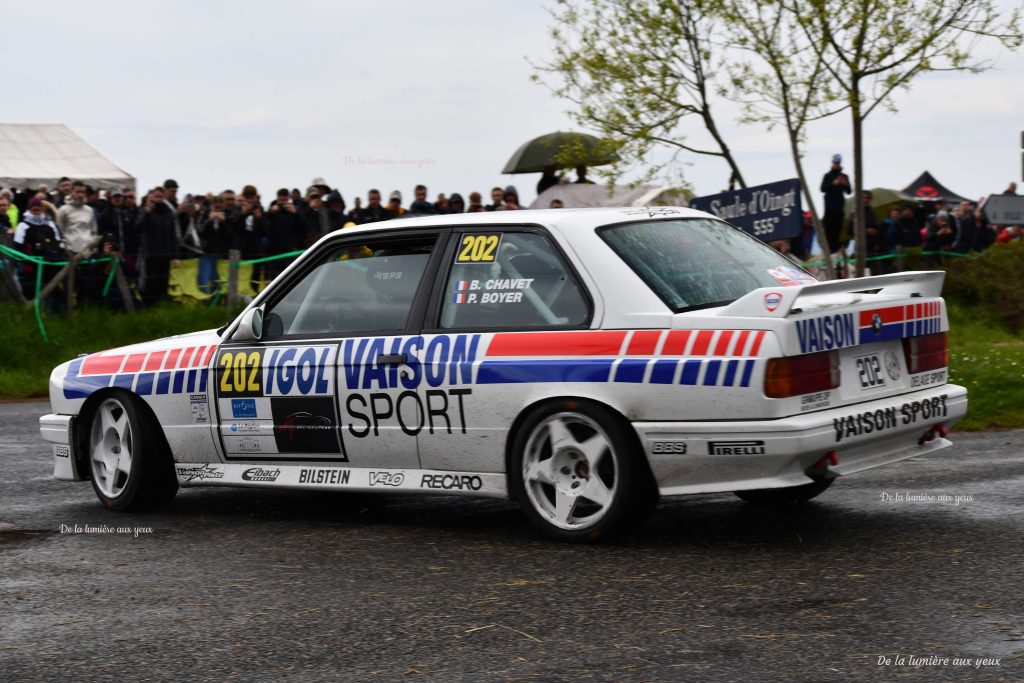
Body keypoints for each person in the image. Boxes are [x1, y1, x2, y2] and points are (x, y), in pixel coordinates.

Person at [13, 196, 65, 303]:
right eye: (34, 209)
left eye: (39, 208)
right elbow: (17, 247)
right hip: (31, 267)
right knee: (32, 294)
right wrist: (28, 258)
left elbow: (58, 243)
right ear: (29, 210)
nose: (37, 211)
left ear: (42, 209)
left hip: (50, 265)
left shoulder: (50, 225)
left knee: (54, 292)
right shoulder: (23, 226)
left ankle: (55, 315)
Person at [137, 186, 178, 305]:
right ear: (152, 197)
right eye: (156, 196)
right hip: (150, 253)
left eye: (161, 196)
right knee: (150, 281)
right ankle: (149, 303)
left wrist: (175, 255)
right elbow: (138, 227)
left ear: (164, 197)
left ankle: (162, 302)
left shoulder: (169, 212)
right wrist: (146, 213)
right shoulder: (145, 210)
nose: (158, 199)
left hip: (165, 253)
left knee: (163, 280)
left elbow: (173, 235)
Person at [264, 189, 307, 280]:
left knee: (290, 278)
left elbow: (305, 228)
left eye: (285, 200)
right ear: (277, 199)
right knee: (274, 279)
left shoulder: (295, 210)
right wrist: (271, 213)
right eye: (281, 201)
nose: (283, 203)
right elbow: (264, 228)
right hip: (274, 252)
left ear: (289, 199)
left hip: (290, 252)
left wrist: (296, 213)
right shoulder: (272, 211)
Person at [820, 154, 851, 253]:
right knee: (829, 231)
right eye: (835, 163)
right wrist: (834, 183)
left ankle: (837, 249)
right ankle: (829, 250)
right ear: (832, 162)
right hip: (829, 208)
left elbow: (849, 191)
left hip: (839, 208)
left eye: (838, 163)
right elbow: (823, 188)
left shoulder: (844, 176)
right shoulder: (827, 176)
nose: (836, 164)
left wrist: (845, 184)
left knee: (838, 230)